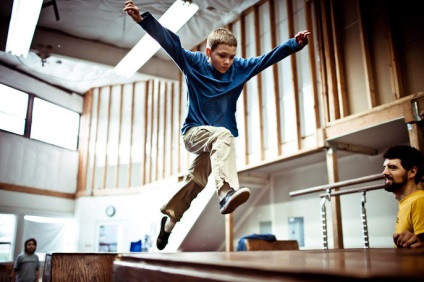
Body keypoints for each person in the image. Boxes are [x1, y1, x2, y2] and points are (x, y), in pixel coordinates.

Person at [124, 1, 310, 250]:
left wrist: (293, 45)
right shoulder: (193, 63)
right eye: (222, 56)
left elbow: (266, 60)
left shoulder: (239, 68)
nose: (228, 62)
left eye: (232, 57)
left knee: (195, 182)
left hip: (214, 145)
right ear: (209, 52)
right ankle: (225, 193)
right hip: (194, 134)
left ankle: (167, 224)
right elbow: (169, 41)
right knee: (224, 135)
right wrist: (143, 20)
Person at [382, 145, 424, 248]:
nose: (384, 172)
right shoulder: (406, 202)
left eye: (392, 167)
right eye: (385, 167)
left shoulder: (419, 201)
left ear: (412, 172)